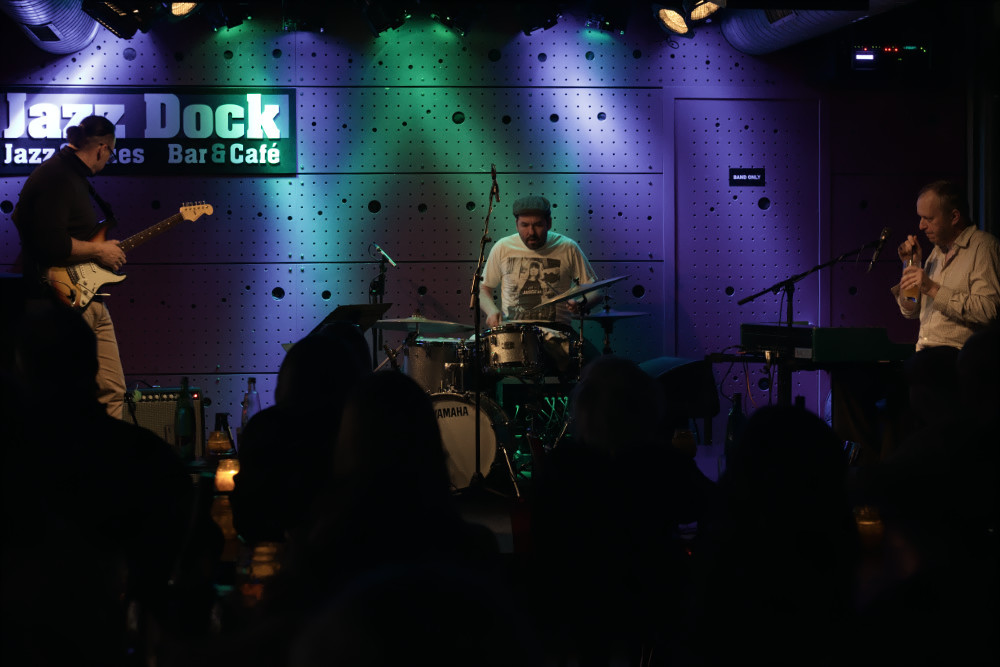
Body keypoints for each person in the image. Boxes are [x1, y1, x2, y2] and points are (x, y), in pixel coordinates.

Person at [12, 114, 127, 418]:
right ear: (102, 148)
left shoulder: (68, 176)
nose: (108, 160)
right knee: (74, 395)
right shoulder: (58, 176)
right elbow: (52, 243)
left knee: (112, 390)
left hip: (90, 299)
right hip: (68, 301)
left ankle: (107, 447)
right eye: (111, 153)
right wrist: (99, 250)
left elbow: (20, 218)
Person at [892, 180, 1000, 350]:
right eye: (920, 218)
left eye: (928, 218)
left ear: (954, 217)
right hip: (926, 352)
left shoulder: (983, 247)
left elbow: (988, 311)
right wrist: (911, 264)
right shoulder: (936, 253)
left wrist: (933, 289)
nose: (921, 226)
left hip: (957, 355)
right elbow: (910, 309)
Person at [480, 195, 598, 329]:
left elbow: (595, 291)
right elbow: (483, 288)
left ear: (549, 223)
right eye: (524, 225)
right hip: (514, 331)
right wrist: (491, 310)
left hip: (557, 331)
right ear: (517, 224)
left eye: (538, 225)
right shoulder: (502, 247)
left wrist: (581, 304)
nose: (531, 232)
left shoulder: (568, 247)